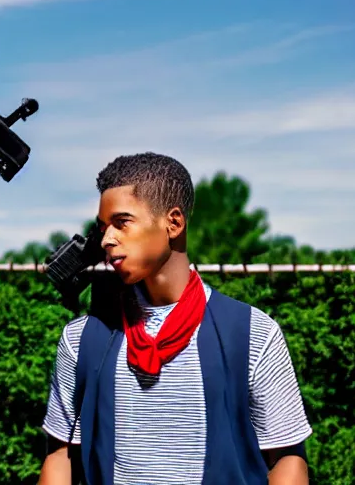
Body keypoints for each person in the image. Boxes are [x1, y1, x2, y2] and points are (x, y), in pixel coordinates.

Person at [38, 152, 312, 485]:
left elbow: (287, 460)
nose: (107, 239)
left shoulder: (253, 333)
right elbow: (60, 456)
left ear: (174, 223)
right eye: (103, 227)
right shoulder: (83, 339)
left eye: (122, 222)